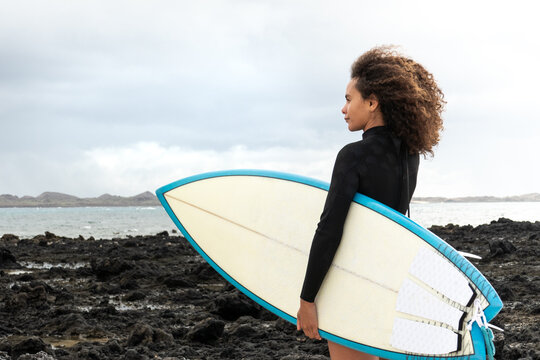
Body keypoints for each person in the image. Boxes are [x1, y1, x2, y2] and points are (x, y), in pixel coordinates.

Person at [296, 46, 445, 360]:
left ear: (372, 102)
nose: (343, 109)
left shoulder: (353, 156)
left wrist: (307, 300)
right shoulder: (410, 155)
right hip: (388, 280)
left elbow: (330, 229)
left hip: (353, 281)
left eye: (349, 99)